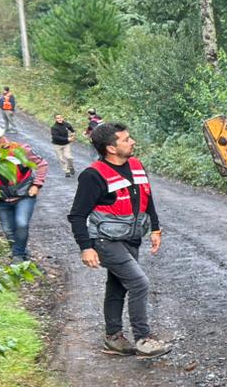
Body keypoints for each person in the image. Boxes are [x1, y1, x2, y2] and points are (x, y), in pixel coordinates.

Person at [67, 122, 172, 357]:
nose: (132, 141)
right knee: (139, 283)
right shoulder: (93, 176)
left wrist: (155, 228)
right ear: (111, 148)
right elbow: (77, 215)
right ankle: (143, 338)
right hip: (104, 241)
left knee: (117, 287)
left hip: (131, 239)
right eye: (126, 139)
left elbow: (147, 199)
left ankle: (113, 337)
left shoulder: (136, 166)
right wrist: (86, 248)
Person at [0, 120, 48, 260]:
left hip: (24, 195)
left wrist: (36, 184)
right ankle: (22, 254)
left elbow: (42, 164)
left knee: (21, 223)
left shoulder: (19, 149)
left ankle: (17, 256)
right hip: (2, 199)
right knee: (8, 230)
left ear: (2, 135)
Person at [50, 112, 77, 177]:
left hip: (66, 145)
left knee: (69, 157)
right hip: (57, 145)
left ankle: (71, 167)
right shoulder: (54, 127)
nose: (59, 119)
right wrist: (67, 139)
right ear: (55, 119)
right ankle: (66, 171)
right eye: (57, 118)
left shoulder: (66, 124)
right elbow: (55, 137)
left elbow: (70, 128)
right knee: (61, 159)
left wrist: (73, 133)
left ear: (62, 118)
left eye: (60, 117)